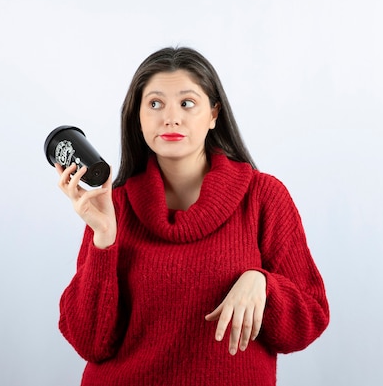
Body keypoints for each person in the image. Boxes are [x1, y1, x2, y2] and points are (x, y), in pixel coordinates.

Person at [54, 47, 329, 386]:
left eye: (187, 103)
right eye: (155, 104)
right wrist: (104, 238)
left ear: (214, 114)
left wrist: (264, 284)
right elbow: (89, 342)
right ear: (137, 118)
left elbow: (309, 320)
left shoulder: (262, 197)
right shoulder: (115, 205)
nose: (171, 117)